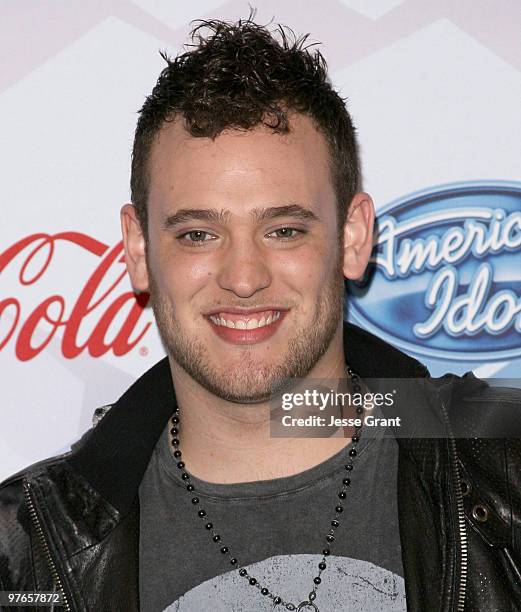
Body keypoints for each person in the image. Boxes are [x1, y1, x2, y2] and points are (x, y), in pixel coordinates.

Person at [1, 16, 520, 612]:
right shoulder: (24, 552)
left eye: (284, 229)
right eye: (198, 233)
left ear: (353, 237)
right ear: (140, 250)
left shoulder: (505, 465)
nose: (243, 277)